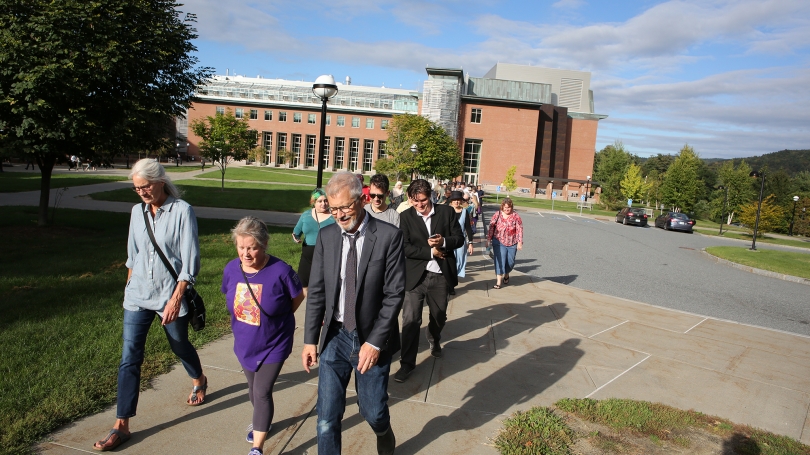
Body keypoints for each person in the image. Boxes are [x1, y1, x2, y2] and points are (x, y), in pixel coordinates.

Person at [93, 159, 207, 451]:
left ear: (160, 181)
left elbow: (190, 259)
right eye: (136, 188)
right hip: (137, 295)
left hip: (170, 294)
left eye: (145, 186)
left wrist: (176, 298)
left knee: (179, 344)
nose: (141, 192)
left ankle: (198, 377)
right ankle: (122, 425)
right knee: (130, 357)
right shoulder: (136, 212)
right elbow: (133, 254)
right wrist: (128, 287)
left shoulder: (182, 211)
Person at [302, 172, 404, 455]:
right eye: (333, 209)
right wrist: (311, 339)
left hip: (371, 337)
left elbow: (394, 294)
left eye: (344, 207)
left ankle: (383, 431)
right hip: (335, 336)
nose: (338, 215)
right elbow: (318, 292)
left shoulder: (389, 237)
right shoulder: (326, 236)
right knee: (326, 418)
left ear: (363, 199)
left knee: (372, 411)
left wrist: (373, 343)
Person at [223, 217, 304, 455]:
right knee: (252, 388)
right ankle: (262, 421)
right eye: (241, 247)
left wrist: (282, 316)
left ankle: (257, 447)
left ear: (265, 244)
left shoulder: (281, 271)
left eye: (252, 247)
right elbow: (229, 296)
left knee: (261, 391)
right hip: (245, 342)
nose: (246, 253)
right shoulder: (230, 269)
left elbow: (297, 296)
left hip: (274, 342)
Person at [395, 179, 464, 382]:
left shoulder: (446, 213)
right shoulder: (405, 217)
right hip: (415, 277)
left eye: (423, 200)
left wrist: (443, 241)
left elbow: (459, 239)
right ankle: (406, 364)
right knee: (410, 321)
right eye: (414, 201)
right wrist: (430, 251)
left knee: (439, 315)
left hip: (440, 276)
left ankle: (434, 337)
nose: (419, 205)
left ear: (431, 196)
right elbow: (404, 247)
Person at [292, 189, 335, 298]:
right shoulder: (306, 215)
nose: (323, 204)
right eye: (319, 201)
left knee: (323, 287)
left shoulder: (334, 216)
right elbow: (296, 231)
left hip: (326, 257)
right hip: (307, 258)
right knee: (303, 285)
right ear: (313, 202)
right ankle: (311, 308)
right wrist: (296, 237)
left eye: (325, 201)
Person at [486, 198, 523, 289]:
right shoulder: (497, 215)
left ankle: (506, 273)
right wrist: (488, 240)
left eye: (509, 207)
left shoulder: (516, 216)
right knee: (500, 260)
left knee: (510, 262)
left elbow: (519, 230)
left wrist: (519, 242)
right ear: (502, 207)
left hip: (512, 242)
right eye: (505, 207)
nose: (507, 209)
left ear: (511, 207)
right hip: (499, 241)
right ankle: (498, 281)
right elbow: (491, 228)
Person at [448, 191, 474, 295]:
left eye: (458, 200)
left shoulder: (465, 212)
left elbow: (468, 228)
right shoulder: (447, 211)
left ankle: (452, 283)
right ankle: (449, 285)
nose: (457, 202)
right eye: (454, 200)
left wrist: (470, 243)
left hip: (460, 241)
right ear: (451, 201)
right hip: (448, 240)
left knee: (458, 262)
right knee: (449, 262)